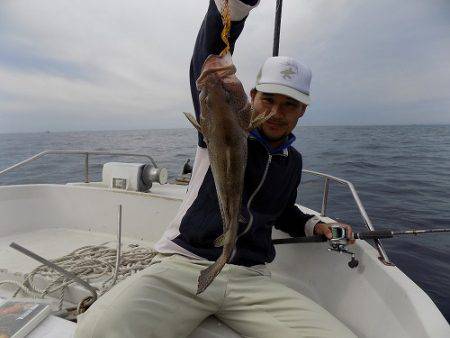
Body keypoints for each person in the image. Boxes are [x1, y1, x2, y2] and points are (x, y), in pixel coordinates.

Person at [75, 1, 357, 337]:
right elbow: (204, 59)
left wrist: (318, 225)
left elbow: (282, 212)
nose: (277, 112)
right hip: (185, 263)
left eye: (289, 105)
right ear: (252, 96)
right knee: (99, 330)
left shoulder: (291, 161)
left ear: (302, 111)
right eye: (268, 99)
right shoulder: (218, 128)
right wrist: (233, 9)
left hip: (251, 278)